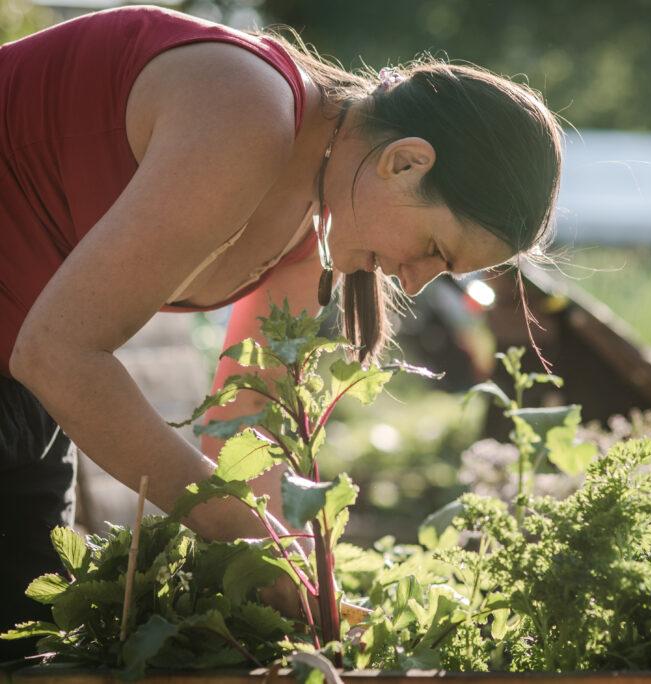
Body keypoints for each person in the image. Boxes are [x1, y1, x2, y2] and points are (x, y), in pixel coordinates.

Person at [0, 4, 561, 655]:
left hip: (20, 387)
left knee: (21, 646)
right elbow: (60, 356)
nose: (413, 282)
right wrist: (231, 527)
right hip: (31, 366)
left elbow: (247, 431)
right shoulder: (245, 114)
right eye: (435, 249)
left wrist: (295, 586)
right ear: (406, 162)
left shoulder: (312, 224)